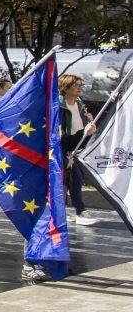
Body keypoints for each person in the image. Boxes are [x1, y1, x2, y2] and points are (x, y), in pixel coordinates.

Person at [59, 74, 96, 221]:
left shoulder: (80, 104)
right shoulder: (59, 106)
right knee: (66, 179)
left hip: (76, 145)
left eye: (81, 85)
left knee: (75, 179)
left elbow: (81, 127)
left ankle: (77, 211)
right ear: (66, 88)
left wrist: (89, 129)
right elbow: (60, 132)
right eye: (76, 85)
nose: (80, 88)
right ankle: (72, 211)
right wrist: (67, 154)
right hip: (62, 146)